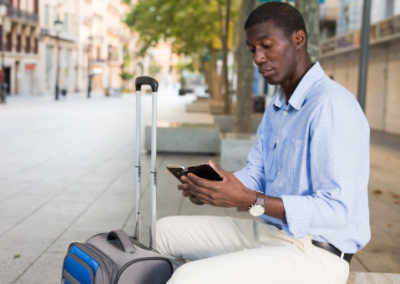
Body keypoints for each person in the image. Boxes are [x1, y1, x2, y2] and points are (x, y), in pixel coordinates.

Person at [156, 2, 370, 284]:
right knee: (161, 233)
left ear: (298, 39)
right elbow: (256, 174)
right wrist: (219, 185)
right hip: (273, 234)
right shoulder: (277, 107)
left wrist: (250, 200)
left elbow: (338, 211)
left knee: (187, 278)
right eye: (252, 49)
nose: (257, 57)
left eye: (266, 45)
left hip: (317, 254)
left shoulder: (331, 106)